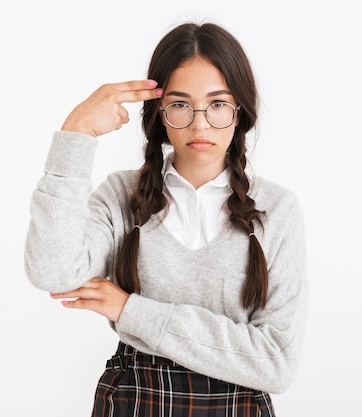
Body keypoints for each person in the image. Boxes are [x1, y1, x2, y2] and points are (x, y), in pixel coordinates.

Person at [24, 21, 308, 417]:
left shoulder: (276, 209)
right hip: (135, 400)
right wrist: (77, 134)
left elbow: (277, 364)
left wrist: (131, 311)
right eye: (179, 104)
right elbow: (53, 271)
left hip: (238, 406)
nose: (200, 123)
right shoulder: (122, 196)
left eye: (218, 104)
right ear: (158, 112)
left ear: (240, 111)